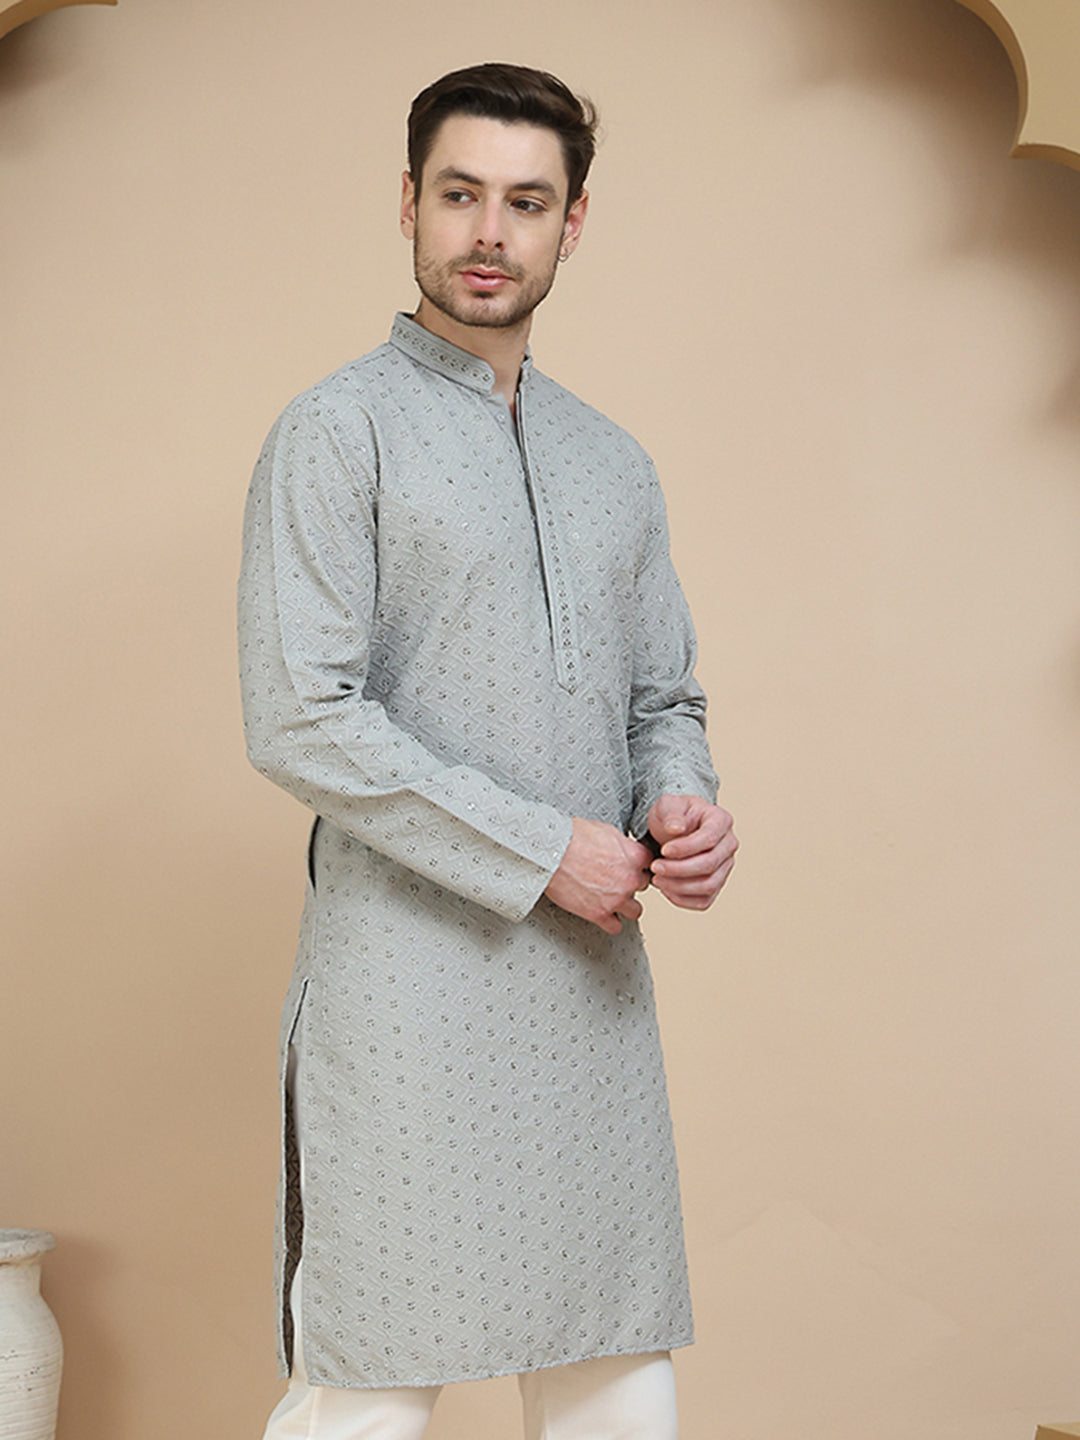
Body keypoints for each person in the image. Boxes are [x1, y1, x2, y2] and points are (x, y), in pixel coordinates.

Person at [239, 61, 737, 1440]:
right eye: (461, 195)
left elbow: (664, 697)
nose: (488, 233)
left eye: (526, 202)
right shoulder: (338, 433)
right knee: (369, 1389)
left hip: (588, 1002)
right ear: (409, 203)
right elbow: (299, 714)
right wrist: (543, 850)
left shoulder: (612, 462)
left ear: (572, 224)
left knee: (617, 1378)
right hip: (403, 996)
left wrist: (683, 804)